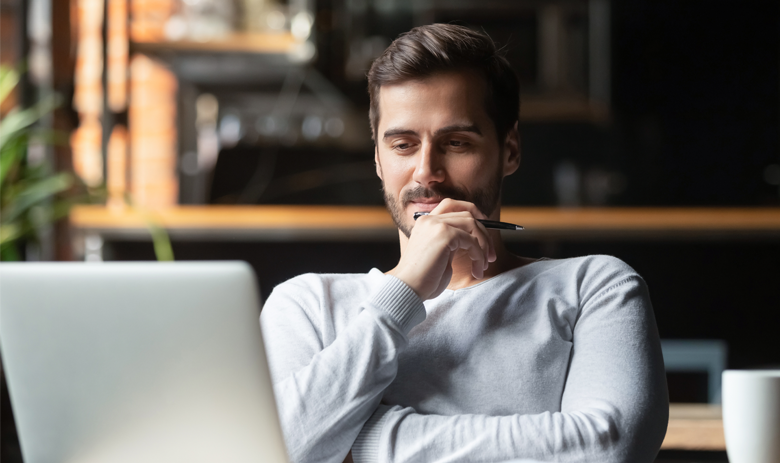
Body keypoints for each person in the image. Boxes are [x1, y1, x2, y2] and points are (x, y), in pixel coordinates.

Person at [260, 23, 668, 463]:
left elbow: (609, 447)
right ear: (378, 159)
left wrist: (362, 440)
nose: (426, 172)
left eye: (456, 143)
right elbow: (270, 451)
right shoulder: (307, 304)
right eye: (403, 144)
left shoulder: (595, 287)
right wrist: (405, 291)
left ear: (509, 150)